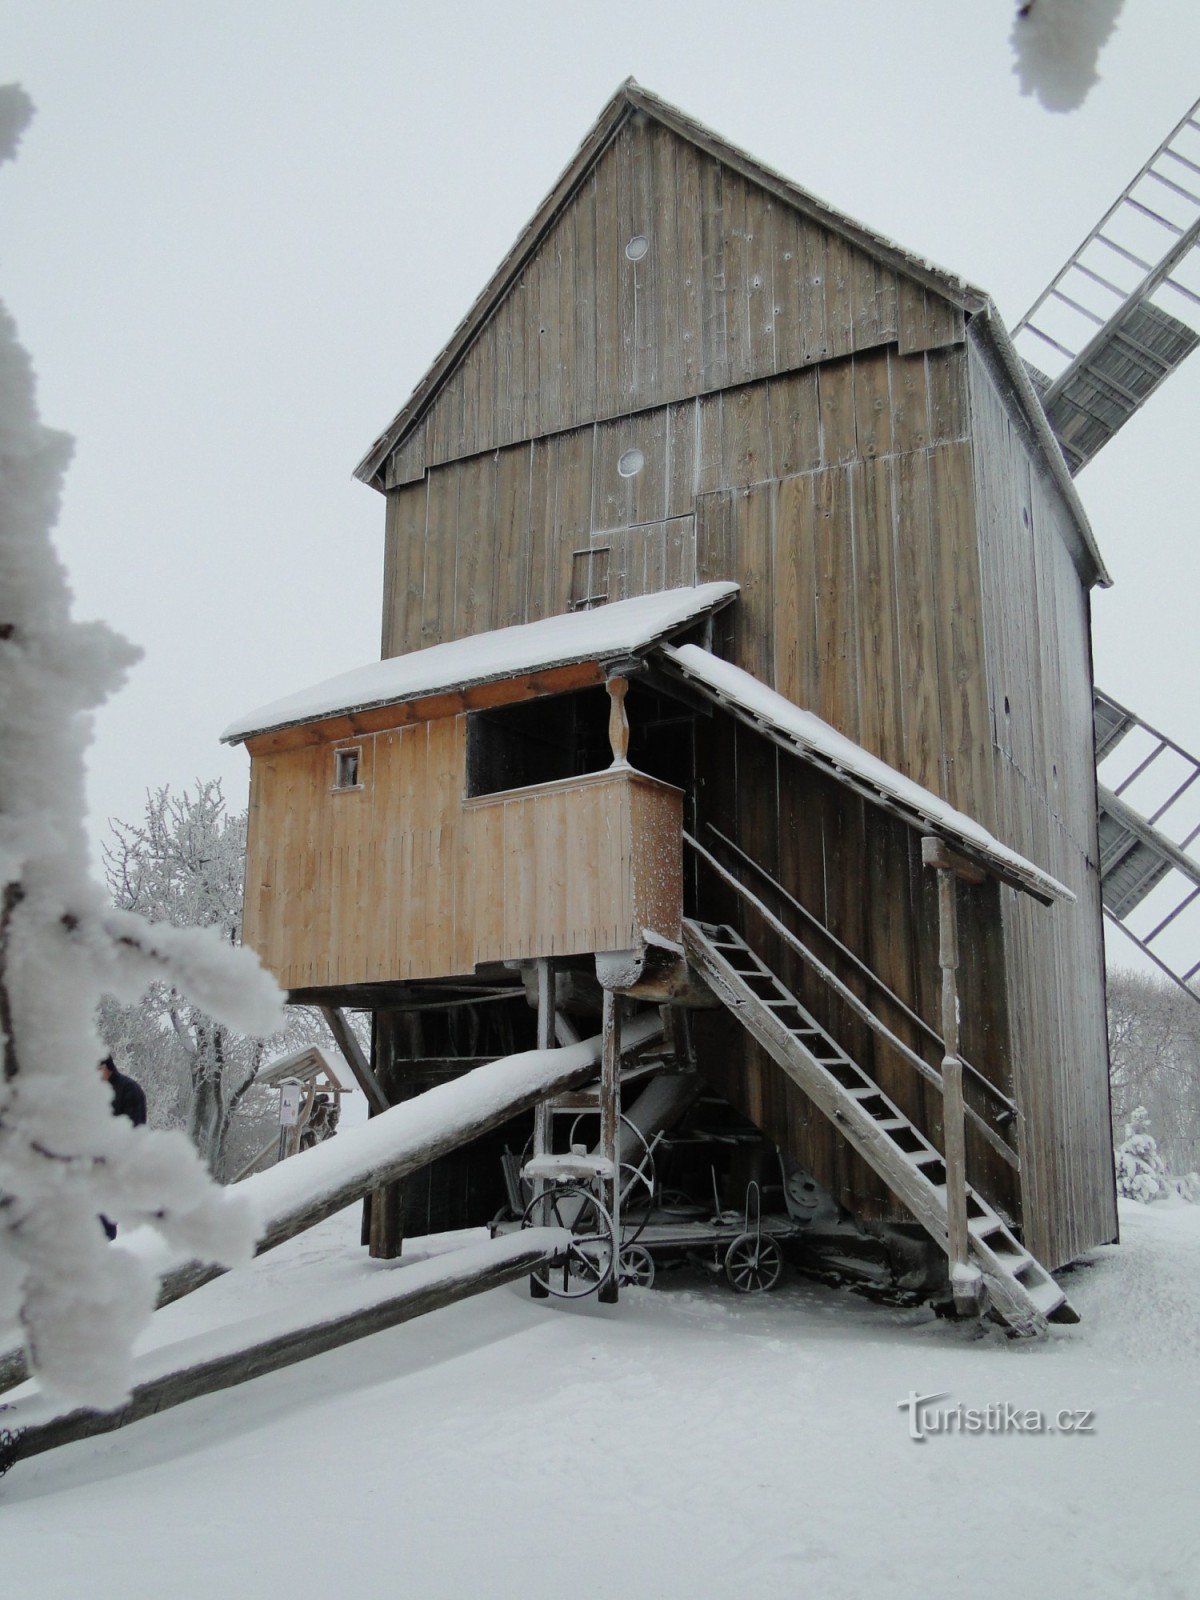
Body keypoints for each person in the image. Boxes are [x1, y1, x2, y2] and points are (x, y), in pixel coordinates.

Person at [98, 1055, 146, 1238]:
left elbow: (135, 1128)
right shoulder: (93, 1092)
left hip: (119, 1160)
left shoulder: (129, 1090)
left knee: (107, 1210)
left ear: (106, 1067)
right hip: (95, 1160)